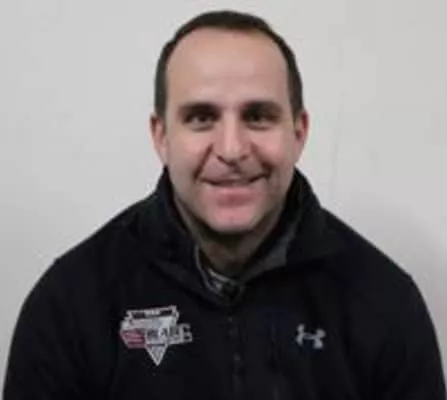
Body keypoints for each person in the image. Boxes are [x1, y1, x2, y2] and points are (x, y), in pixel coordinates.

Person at [3, 9, 446, 400]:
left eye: (258, 116)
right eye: (201, 117)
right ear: (161, 136)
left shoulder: (384, 302)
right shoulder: (71, 304)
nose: (232, 149)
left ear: (299, 132)